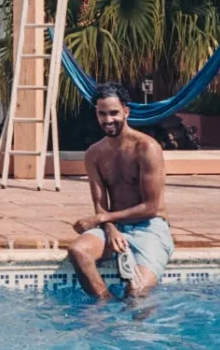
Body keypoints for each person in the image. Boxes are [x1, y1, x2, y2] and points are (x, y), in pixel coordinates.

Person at [67, 82, 174, 299]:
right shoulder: (94, 154)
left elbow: (150, 207)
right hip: (114, 225)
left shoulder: (147, 148)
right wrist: (110, 228)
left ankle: (139, 329)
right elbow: (100, 204)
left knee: (135, 292)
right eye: (102, 114)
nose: (108, 120)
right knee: (78, 251)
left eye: (114, 113)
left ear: (126, 112)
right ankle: (105, 308)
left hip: (149, 227)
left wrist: (103, 218)